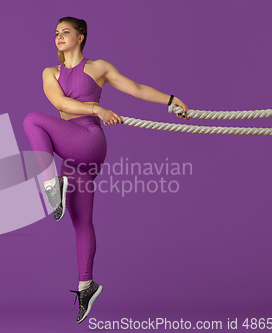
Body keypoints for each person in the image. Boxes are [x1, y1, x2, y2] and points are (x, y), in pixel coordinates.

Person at [23, 16, 189, 324]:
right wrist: (97, 108)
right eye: (56, 33)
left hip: (88, 140)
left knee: (32, 120)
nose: (59, 37)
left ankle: (50, 187)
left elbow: (136, 88)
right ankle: (87, 285)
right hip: (72, 155)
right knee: (81, 222)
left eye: (66, 32)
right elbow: (60, 101)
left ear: (81, 36)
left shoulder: (98, 67)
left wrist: (169, 100)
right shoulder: (51, 72)